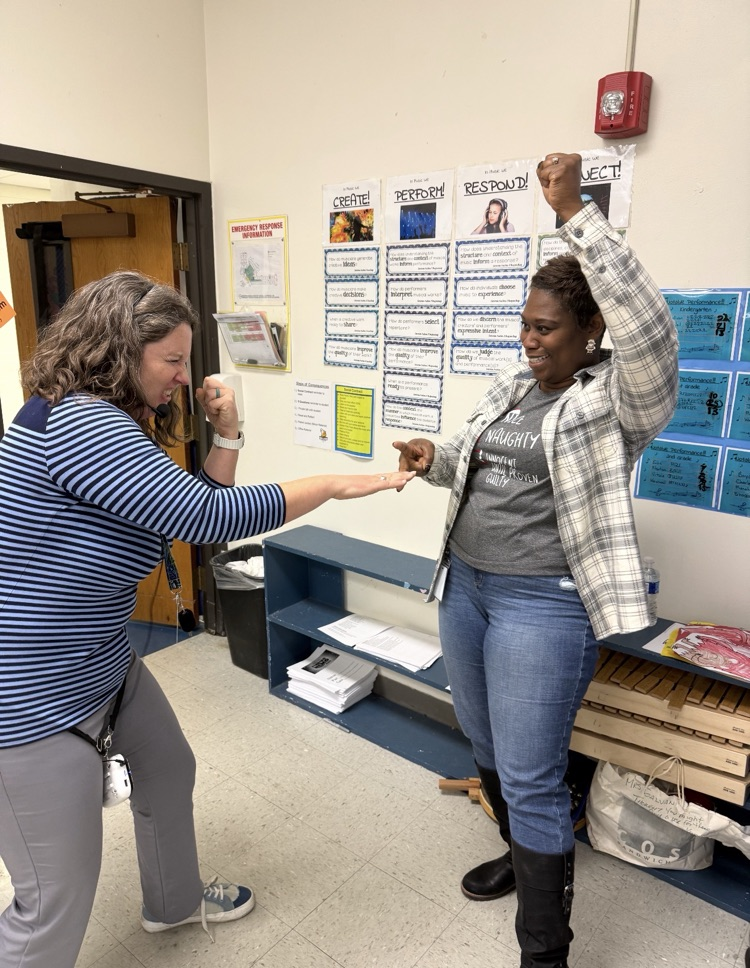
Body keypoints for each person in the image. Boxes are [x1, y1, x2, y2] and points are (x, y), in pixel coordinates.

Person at [0, 270, 415, 968]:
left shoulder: (102, 417)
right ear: (119, 350)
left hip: (100, 662)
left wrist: (230, 434)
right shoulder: (79, 423)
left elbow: (181, 515)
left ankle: (175, 903)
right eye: (172, 361)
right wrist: (338, 483)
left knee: (167, 770)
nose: (186, 379)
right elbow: (213, 515)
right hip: (28, 694)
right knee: (53, 899)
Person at [394, 152, 679, 968]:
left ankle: (545, 952)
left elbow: (652, 330)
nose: (529, 340)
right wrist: (433, 454)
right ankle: (523, 863)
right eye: (524, 324)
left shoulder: (616, 401)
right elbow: (475, 457)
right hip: (468, 590)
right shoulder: (514, 389)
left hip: (543, 606)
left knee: (530, 774)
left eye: (545, 328)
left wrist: (577, 213)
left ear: (591, 331)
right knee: (485, 748)